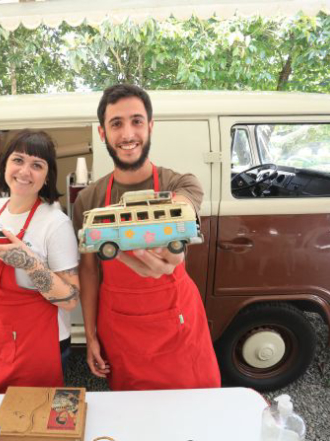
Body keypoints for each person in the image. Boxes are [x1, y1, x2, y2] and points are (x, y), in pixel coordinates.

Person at [72, 84, 221, 391]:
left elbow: (182, 210)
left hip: (177, 325)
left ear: (150, 127)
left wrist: (172, 250)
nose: (127, 134)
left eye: (136, 121)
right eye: (116, 124)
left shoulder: (181, 182)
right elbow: (88, 271)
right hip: (120, 330)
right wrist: (90, 335)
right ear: (102, 133)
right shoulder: (88, 200)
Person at [0, 130, 79, 394]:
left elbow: (71, 299)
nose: (24, 171)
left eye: (37, 165)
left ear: (47, 176)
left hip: (38, 348)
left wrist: (29, 263)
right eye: (18, 160)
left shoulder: (55, 223)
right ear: (5, 165)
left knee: (30, 424)